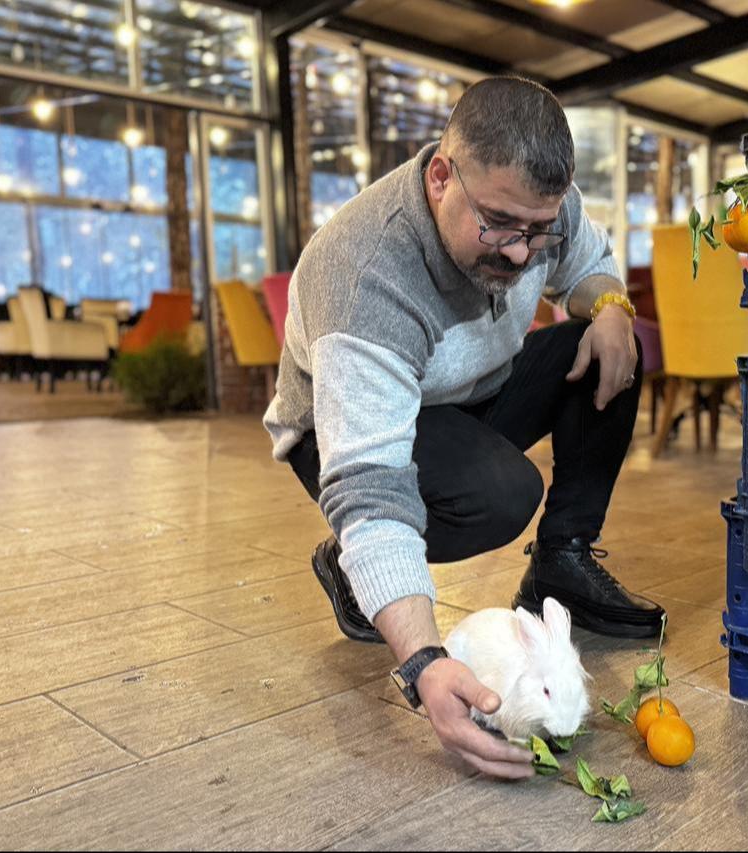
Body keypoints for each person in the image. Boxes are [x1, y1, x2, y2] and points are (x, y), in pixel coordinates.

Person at [264, 77, 665, 779]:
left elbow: (592, 265)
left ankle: (562, 561)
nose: (520, 253)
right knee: (503, 493)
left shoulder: (540, 208)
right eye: (501, 225)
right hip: (344, 437)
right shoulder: (366, 274)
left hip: (476, 390)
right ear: (442, 176)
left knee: (604, 346)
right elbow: (372, 483)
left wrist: (610, 309)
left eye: (537, 230)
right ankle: (351, 569)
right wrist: (423, 659)